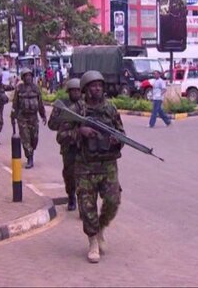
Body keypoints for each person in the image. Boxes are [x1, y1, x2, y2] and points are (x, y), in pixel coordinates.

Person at [72, 70, 124, 263]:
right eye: (93, 85)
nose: (97, 88)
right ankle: (93, 240)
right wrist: (80, 132)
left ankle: (100, 228)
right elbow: (61, 135)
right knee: (87, 206)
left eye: (100, 85)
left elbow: (121, 133)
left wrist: (116, 140)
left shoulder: (110, 109)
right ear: (86, 89)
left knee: (113, 200)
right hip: (85, 166)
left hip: (108, 164)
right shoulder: (77, 110)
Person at [47, 78, 85, 211]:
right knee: (69, 174)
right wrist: (65, 120)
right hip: (68, 145)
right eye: (73, 90)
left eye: (78, 90)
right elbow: (52, 124)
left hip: (83, 146)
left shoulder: (85, 104)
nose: (75, 93)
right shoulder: (62, 104)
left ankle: (83, 202)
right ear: (68, 92)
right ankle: (71, 196)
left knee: (84, 175)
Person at [11, 67, 47, 169]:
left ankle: (31, 151)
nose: (28, 78)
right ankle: (29, 158)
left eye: (30, 75)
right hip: (22, 118)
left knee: (34, 139)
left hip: (34, 117)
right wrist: (13, 117)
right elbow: (15, 104)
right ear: (23, 77)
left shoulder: (36, 89)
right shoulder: (19, 89)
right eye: (26, 76)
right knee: (25, 138)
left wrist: (43, 115)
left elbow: (40, 103)